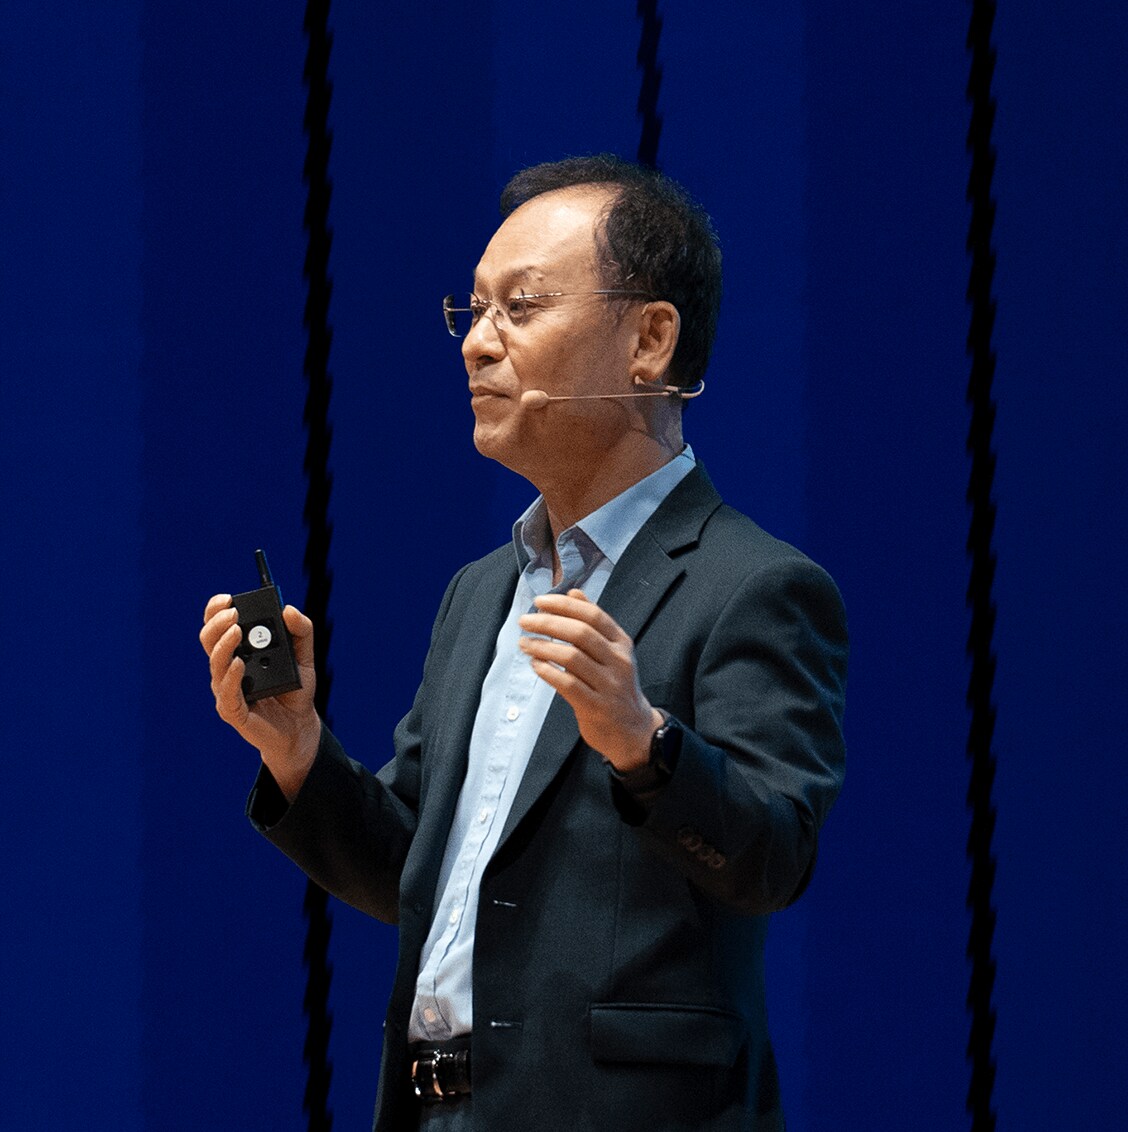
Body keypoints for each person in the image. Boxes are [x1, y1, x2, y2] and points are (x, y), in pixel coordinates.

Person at [200, 154, 848, 1132]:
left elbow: (772, 857)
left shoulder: (754, 586)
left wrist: (642, 741)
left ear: (649, 340)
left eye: (522, 307)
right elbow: (406, 872)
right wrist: (296, 751)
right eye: (473, 312)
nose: (477, 345)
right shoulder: (480, 593)